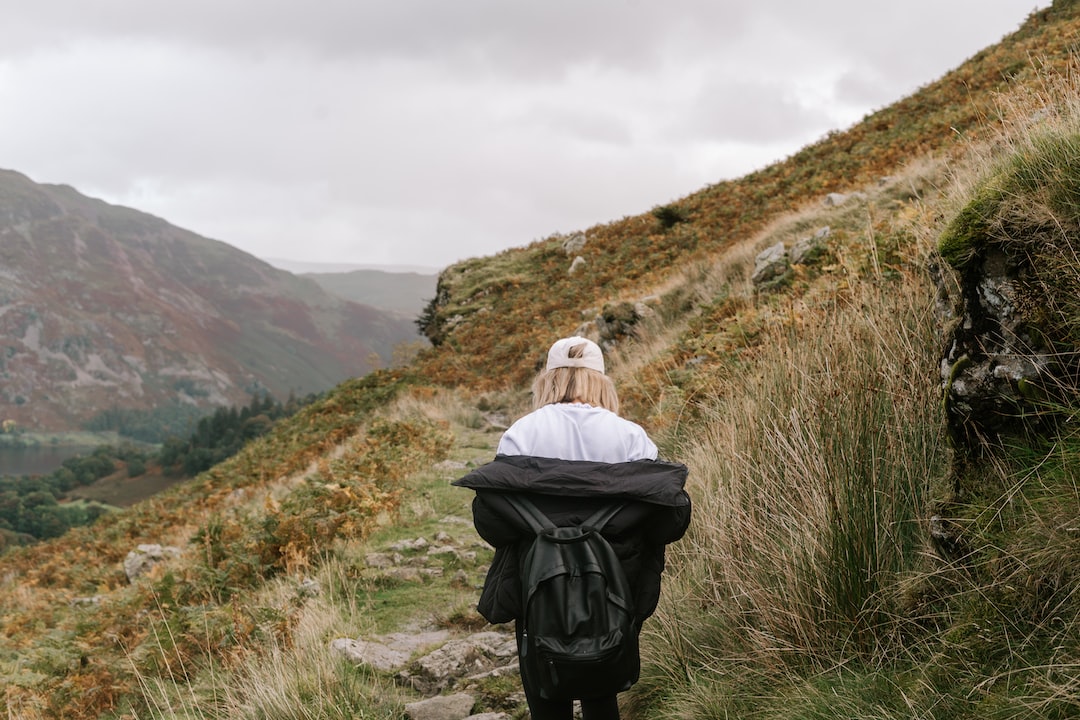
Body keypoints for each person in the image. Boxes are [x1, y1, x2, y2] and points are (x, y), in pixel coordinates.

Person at [454, 336, 691, 720]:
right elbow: (668, 521)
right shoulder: (631, 437)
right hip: (615, 583)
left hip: (540, 581)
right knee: (603, 688)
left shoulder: (521, 434)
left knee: (545, 693)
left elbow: (493, 525)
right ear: (601, 381)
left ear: (549, 379)